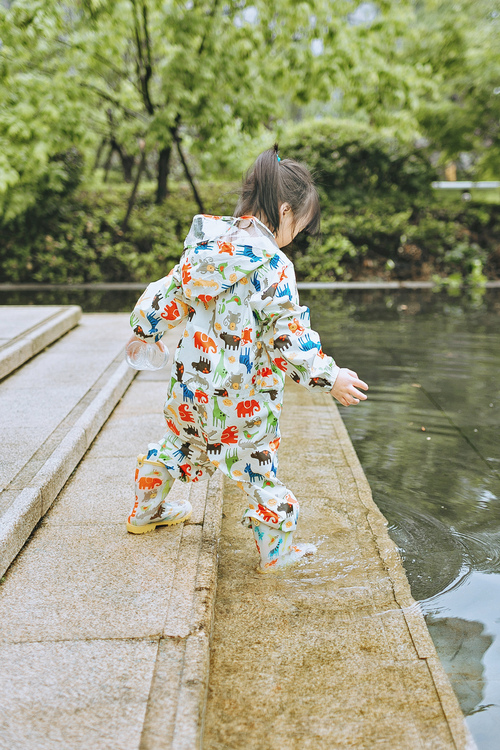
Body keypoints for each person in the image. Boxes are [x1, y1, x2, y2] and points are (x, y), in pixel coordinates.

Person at [125, 144, 368, 572]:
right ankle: (276, 555)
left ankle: (145, 512)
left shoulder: (202, 248)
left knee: (179, 445)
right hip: (243, 401)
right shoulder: (272, 265)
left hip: (189, 389)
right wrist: (329, 377)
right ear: (285, 210)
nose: (295, 237)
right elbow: (288, 338)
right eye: (300, 226)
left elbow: (165, 297)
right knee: (259, 472)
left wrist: (146, 333)